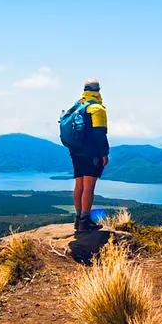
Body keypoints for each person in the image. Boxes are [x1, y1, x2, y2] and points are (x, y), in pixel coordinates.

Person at [69, 79, 109, 232]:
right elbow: (100, 133)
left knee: (79, 185)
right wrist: (104, 153)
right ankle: (85, 222)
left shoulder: (78, 105)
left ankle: (78, 219)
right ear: (98, 90)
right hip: (91, 153)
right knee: (88, 187)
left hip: (75, 151)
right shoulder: (97, 109)